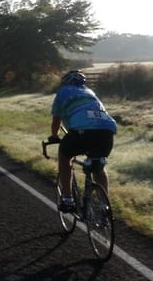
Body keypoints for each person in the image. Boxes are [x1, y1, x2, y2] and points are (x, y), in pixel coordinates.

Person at [49, 70, 117, 212]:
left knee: (64, 157)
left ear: (64, 83)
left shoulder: (62, 92)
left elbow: (56, 120)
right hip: (107, 132)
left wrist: (54, 135)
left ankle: (67, 199)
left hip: (82, 131)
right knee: (98, 164)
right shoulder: (90, 92)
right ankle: (104, 206)